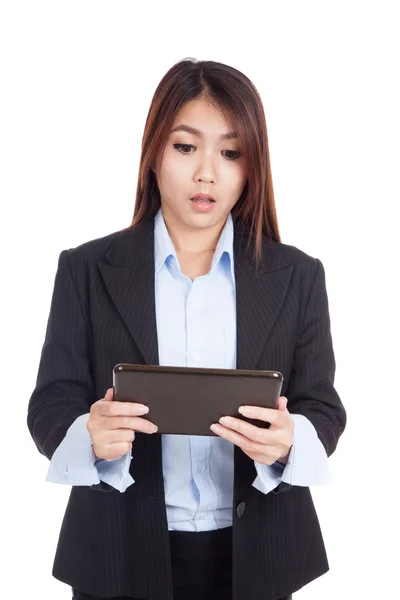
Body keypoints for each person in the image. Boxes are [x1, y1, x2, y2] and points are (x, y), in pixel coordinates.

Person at [27, 57, 347, 600]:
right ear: (153, 153)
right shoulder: (85, 268)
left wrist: (292, 443)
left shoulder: (297, 275)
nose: (207, 173)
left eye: (230, 152)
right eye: (185, 147)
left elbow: (323, 408)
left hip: (258, 560)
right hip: (119, 559)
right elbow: (51, 405)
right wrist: (89, 433)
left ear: (251, 167)